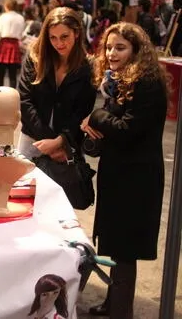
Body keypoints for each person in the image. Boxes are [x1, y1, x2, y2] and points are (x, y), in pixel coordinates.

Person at [80, 23, 167, 318]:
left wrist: (96, 116)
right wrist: (95, 131)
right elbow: (113, 131)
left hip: (136, 178)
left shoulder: (147, 84)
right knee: (116, 244)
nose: (112, 53)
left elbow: (126, 129)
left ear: (136, 51)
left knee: (125, 248)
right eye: (108, 47)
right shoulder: (118, 81)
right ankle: (113, 302)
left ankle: (121, 312)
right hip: (120, 173)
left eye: (120, 47)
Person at [17, 7, 97, 163]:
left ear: (77, 33)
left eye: (64, 36)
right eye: (53, 37)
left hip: (68, 143)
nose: (59, 43)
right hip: (33, 138)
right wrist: (48, 139)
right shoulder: (35, 58)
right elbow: (25, 100)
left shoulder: (87, 67)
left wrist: (60, 141)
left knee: (66, 186)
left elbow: (82, 111)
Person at [0, 0, 25, 88]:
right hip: (14, 45)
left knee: (0, 74)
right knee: (13, 75)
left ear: (6, 6)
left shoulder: (2, 17)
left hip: (3, 44)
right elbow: (21, 34)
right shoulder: (20, 18)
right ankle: (12, 95)